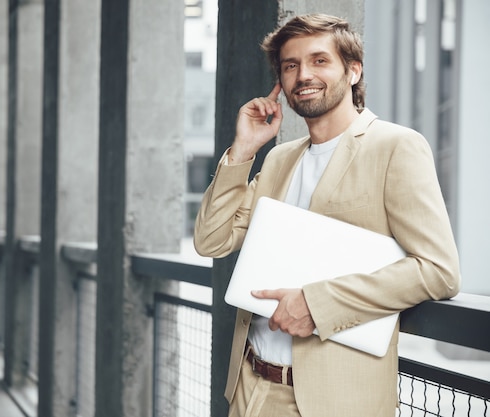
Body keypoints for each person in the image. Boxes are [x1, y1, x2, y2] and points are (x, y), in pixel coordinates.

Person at [193, 13, 460, 417]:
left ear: (353, 71)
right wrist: (244, 150)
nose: (304, 75)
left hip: (333, 402)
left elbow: (438, 270)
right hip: (250, 390)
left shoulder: (395, 147)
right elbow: (211, 240)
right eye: (290, 65)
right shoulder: (281, 158)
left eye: (320, 61)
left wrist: (318, 304)